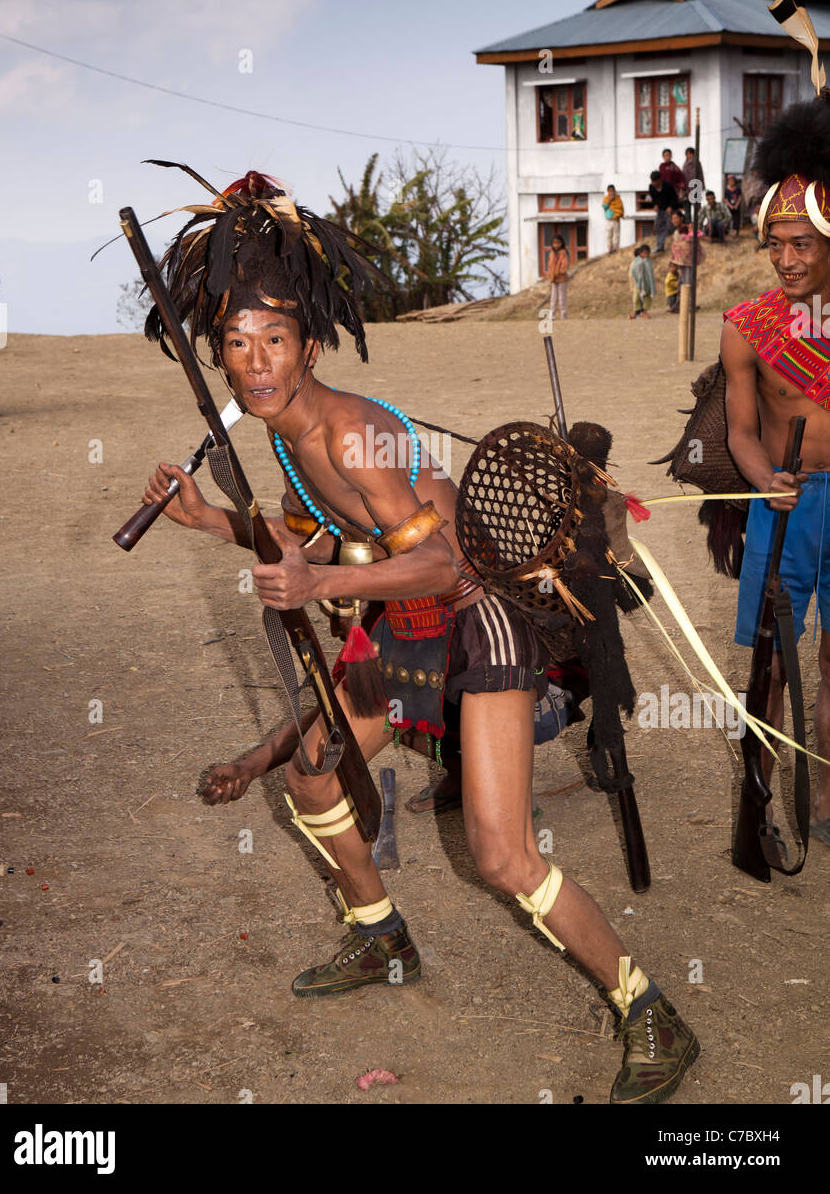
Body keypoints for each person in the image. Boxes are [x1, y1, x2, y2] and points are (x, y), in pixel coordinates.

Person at [136, 164, 699, 1104]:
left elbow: (438, 565)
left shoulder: (354, 433)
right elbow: (327, 543)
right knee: (315, 773)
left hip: (477, 623)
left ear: (309, 342)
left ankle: (650, 1012)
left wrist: (317, 578)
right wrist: (211, 520)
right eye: (236, 344)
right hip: (406, 622)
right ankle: (380, 933)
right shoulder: (288, 433)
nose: (255, 360)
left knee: (501, 853)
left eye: (274, 338)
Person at [721, 99, 830, 853]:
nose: (787, 260)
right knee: (772, 661)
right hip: (783, 504)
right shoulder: (746, 328)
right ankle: (757, 797)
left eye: (802, 245)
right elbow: (739, 430)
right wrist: (765, 477)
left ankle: (823, 799)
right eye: (776, 246)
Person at [647, 171, 679, 254]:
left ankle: (674, 246)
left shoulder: (668, 186)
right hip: (660, 209)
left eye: (655, 181)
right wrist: (655, 205)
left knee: (670, 226)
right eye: (652, 181)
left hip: (670, 209)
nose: (653, 183)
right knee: (658, 226)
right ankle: (660, 246)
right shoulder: (651, 187)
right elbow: (653, 199)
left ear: (659, 180)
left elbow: (675, 198)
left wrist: (671, 206)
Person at [544, 234, 570, 319]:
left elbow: (565, 265)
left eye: (558, 243)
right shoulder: (551, 253)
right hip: (554, 279)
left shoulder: (563, 253)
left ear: (562, 243)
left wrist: (558, 272)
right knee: (553, 298)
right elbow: (549, 265)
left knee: (562, 298)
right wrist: (551, 274)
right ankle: (552, 315)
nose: (556, 245)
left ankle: (564, 316)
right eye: (554, 243)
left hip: (562, 279)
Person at [628, 242, 655, 318]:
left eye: (648, 253)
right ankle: (636, 312)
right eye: (645, 253)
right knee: (636, 298)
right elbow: (633, 272)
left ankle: (644, 312)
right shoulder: (636, 262)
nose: (647, 255)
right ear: (640, 253)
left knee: (647, 297)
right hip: (638, 284)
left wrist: (652, 286)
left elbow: (650, 274)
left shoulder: (648, 262)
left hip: (647, 284)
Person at [681, 147, 705, 224]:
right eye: (687, 154)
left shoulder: (695, 163)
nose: (688, 155)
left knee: (697, 210)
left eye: (690, 154)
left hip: (694, 189)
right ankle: (689, 227)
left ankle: (697, 226)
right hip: (686, 190)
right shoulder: (685, 163)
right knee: (687, 211)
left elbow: (699, 176)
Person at [602, 183, 624, 254]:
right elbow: (604, 207)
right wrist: (609, 200)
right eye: (610, 191)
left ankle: (615, 248)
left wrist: (618, 214)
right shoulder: (606, 199)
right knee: (609, 235)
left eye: (612, 191)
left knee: (616, 235)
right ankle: (609, 248)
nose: (611, 192)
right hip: (609, 220)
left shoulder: (618, 199)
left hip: (615, 220)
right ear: (608, 192)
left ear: (615, 191)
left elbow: (620, 208)